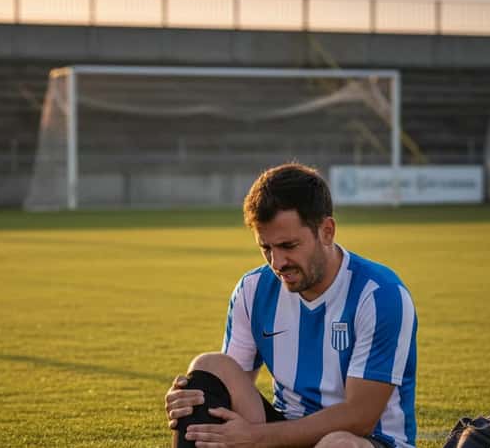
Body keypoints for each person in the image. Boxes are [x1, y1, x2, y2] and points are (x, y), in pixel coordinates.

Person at [164, 162, 417, 448]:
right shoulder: (253, 289)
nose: (277, 262)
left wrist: (255, 438)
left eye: (288, 246)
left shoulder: (379, 295)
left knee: (338, 445)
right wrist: (194, 394)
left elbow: (360, 417)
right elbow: (230, 387)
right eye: (266, 248)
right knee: (209, 367)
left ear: (327, 231)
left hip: (366, 440)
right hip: (284, 431)